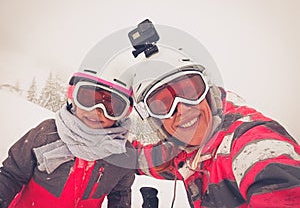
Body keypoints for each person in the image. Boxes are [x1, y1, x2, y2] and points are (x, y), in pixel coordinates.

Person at [128, 20, 300, 207]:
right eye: (163, 104)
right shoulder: (185, 153)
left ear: (209, 95)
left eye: (190, 92)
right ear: (156, 121)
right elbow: (142, 160)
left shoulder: (248, 142)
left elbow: (276, 178)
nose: (183, 109)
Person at [0, 36, 137, 207]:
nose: (96, 111)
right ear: (73, 95)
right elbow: (11, 175)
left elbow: (120, 194)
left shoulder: (123, 155)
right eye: (88, 98)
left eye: (112, 106)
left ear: (124, 113)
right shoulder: (47, 133)